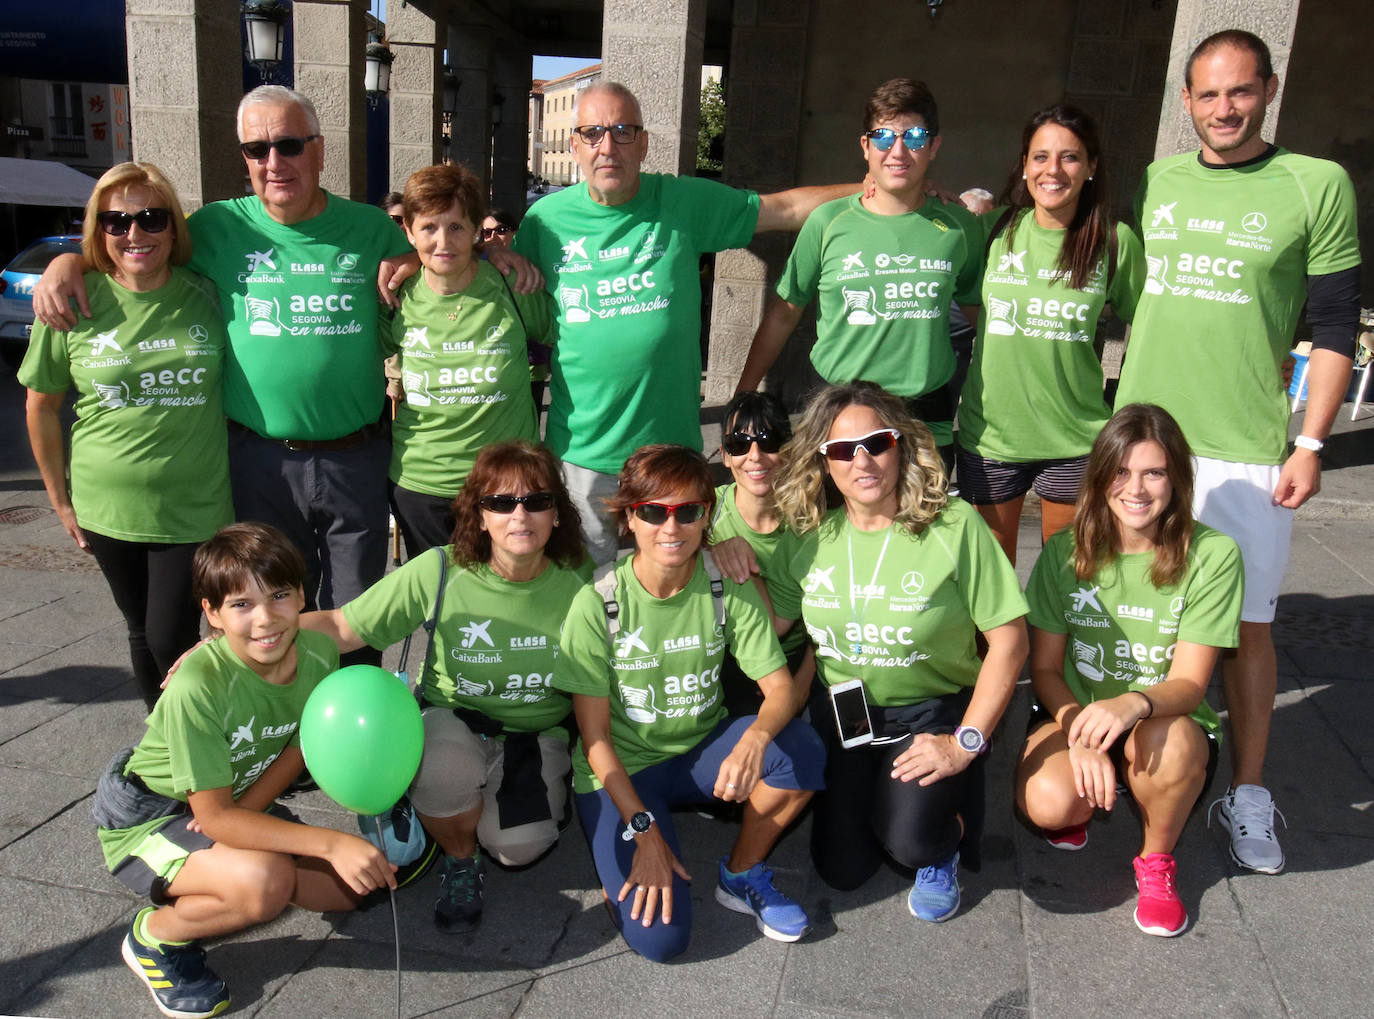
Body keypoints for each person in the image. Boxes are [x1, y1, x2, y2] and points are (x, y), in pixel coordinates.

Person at [31, 86, 415, 666]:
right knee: (270, 617)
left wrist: (421, 258)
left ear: (318, 150)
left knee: (360, 617)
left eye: (288, 145)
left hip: (355, 459)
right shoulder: (214, 228)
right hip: (257, 464)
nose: (273, 163)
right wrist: (66, 263)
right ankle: (288, 745)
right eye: (257, 149)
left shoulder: (371, 229)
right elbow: (135, 243)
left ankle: (354, 745)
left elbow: (439, 262)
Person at [1114, 30, 1361, 874]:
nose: (1224, 110)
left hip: (1244, 449)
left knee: (1248, 627)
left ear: (1269, 90)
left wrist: (1311, 441)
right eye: (1208, 95)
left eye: (1241, 92)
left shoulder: (1315, 184)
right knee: (1130, 606)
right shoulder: (1160, 180)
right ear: (1186, 101)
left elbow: (1333, 327)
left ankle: (1247, 790)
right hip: (1144, 437)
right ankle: (1128, 753)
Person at [511, 81, 858, 564]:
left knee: (676, 588)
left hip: (671, 454)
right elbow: (498, 284)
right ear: (574, 146)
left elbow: (787, 208)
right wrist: (486, 251)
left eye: (621, 131)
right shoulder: (543, 222)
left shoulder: (681, 203)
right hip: (582, 454)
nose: (606, 146)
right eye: (592, 133)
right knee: (586, 596)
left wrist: (885, 186)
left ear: (644, 142)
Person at [93, 523, 394, 1019]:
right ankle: (153, 937)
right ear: (210, 613)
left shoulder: (318, 655)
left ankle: (238, 864)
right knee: (265, 884)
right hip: (151, 815)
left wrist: (249, 816)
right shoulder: (199, 686)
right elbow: (211, 819)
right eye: (240, 604)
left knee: (351, 891)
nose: (266, 619)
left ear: (302, 595)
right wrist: (329, 841)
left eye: (279, 595)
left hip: (229, 799)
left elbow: (299, 746)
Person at [302, 440, 588, 934]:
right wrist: (240, 640)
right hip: (453, 718)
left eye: (536, 501)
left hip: (536, 734)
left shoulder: (584, 579)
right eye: (500, 502)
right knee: (444, 774)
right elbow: (344, 627)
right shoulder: (440, 568)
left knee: (517, 849)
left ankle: (485, 807)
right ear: (479, 516)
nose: (519, 515)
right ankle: (459, 857)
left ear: (557, 514)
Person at [555, 444, 825, 962]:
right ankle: (642, 839)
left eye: (688, 511)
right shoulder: (597, 604)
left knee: (800, 751)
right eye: (653, 512)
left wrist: (755, 739)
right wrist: (644, 832)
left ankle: (740, 872)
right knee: (662, 940)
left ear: (707, 516)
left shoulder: (727, 586)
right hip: (623, 773)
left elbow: (782, 690)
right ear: (628, 518)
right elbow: (595, 741)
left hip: (698, 752)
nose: (671, 527)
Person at [770, 382, 1028, 922]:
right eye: (842, 450)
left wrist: (965, 744)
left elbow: (1009, 641)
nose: (861, 460)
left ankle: (948, 835)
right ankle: (886, 801)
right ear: (823, 462)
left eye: (876, 443)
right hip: (844, 713)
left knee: (910, 842)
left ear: (901, 445)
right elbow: (771, 627)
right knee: (842, 870)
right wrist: (713, 558)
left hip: (929, 712)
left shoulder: (953, 527)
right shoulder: (808, 533)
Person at [1016, 404, 1242, 937]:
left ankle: (1156, 860)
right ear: (1099, 476)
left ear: (1177, 480)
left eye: (1154, 472)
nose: (1136, 488)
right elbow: (1045, 669)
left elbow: (1189, 684)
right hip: (1075, 713)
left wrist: (1132, 702)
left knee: (1176, 747)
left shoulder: (1213, 555)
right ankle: (1089, 793)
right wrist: (1079, 729)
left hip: (1163, 720)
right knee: (1048, 806)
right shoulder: (1064, 552)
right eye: (1121, 471)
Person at [20, 161, 231, 709]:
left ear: (173, 226)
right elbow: (41, 407)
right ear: (99, 230)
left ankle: (197, 757)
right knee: (140, 630)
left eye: (150, 217)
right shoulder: (71, 300)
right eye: (116, 222)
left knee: (171, 637)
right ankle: (171, 755)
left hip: (196, 503)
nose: (134, 233)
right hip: (106, 505)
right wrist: (60, 500)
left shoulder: (209, 292)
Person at [735, 78, 984, 467]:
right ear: (866, 146)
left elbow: (978, 311)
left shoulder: (959, 228)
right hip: (836, 412)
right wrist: (743, 397)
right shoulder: (828, 222)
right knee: (829, 527)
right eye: (884, 137)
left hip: (924, 417)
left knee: (921, 527)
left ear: (934, 146)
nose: (898, 150)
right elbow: (785, 311)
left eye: (915, 137)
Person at [956, 104, 1145, 566]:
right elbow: (963, 295)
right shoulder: (993, 228)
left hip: (1075, 439)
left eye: (1070, 157)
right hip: (992, 437)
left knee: (1064, 577)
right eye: (1040, 157)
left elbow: (1152, 326)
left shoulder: (1114, 241)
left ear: (1092, 167)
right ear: (1024, 165)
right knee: (990, 578)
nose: (1052, 170)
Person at [383, 164, 554, 558]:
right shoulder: (395, 292)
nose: (443, 241)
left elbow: (566, 339)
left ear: (477, 228)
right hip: (423, 485)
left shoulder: (512, 282)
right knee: (443, 607)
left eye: (457, 227)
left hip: (508, 486)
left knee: (509, 603)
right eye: (429, 228)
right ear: (408, 231)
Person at [707, 390, 813, 716]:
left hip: (794, 656)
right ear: (725, 455)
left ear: (788, 450)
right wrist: (711, 550)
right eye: (739, 444)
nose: (754, 455)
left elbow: (783, 627)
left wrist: (744, 566)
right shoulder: (704, 512)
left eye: (768, 441)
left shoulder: (809, 523)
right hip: (722, 656)